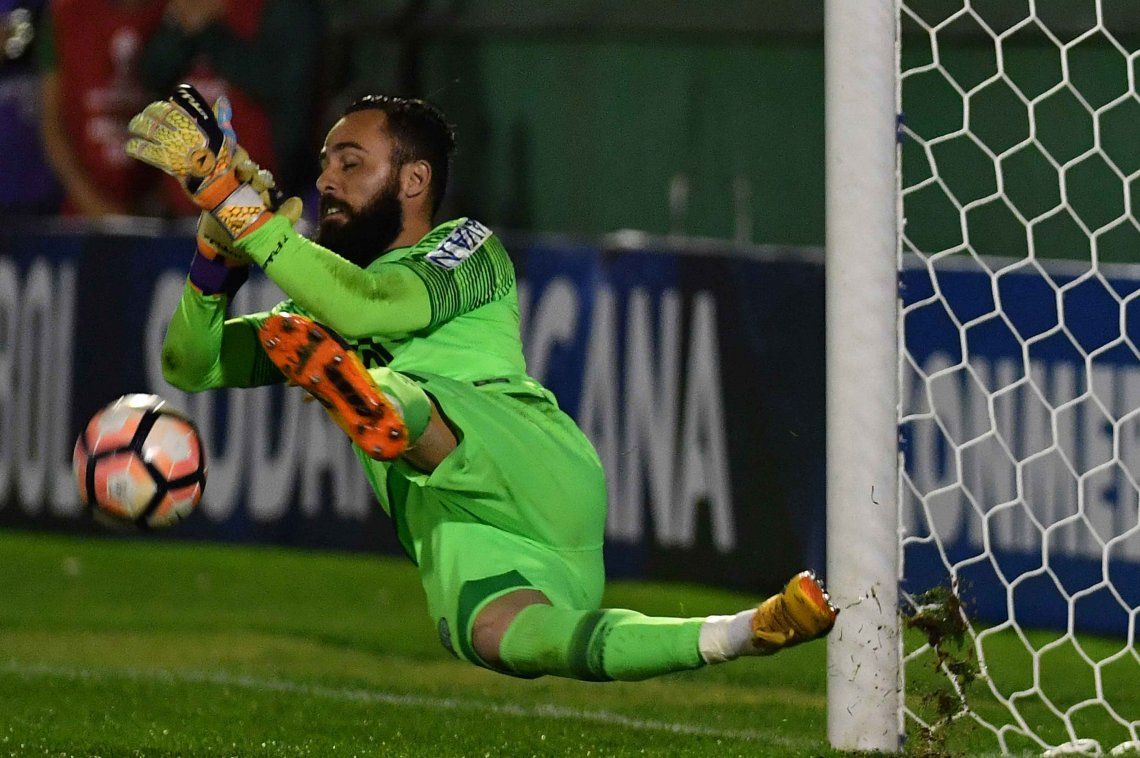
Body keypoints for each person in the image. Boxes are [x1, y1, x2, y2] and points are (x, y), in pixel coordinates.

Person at [128, 85, 839, 681]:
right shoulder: (310, 317)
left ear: (413, 181)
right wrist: (214, 260)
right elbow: (191, 364)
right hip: (459, 529)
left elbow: (366, 307)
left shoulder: (466, 248)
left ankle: (383, 403)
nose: (325, 182)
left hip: (529, 465)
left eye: (350, 163)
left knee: (401, 390)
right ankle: (742, 631)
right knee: (505, 640)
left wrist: (236, 203)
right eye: (323, 166)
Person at [37, 0, 166, 217]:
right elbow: (51, 123)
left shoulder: (175, 13)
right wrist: (95, 207)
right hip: (81, 220)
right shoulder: (63, 14)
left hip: (165, 220)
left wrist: (161, 202)